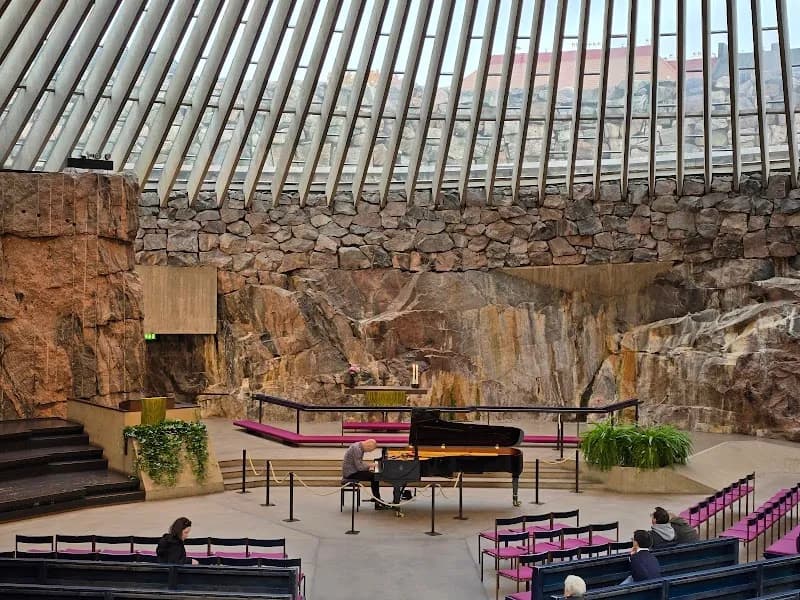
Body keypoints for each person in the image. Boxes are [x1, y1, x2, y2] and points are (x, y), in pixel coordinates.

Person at [341, 439, 387, 510]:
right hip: (351, 473)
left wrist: (368, 467)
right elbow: (359, 467)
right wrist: (370, 466)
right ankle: (377, 501)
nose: (369, 452)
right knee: (374, 477)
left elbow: (359, 464)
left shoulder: (358, 446)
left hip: (353, 470)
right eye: (370, 450)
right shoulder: (357, 450)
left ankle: (377, 498)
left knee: (373, 476)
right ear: (368, 446)